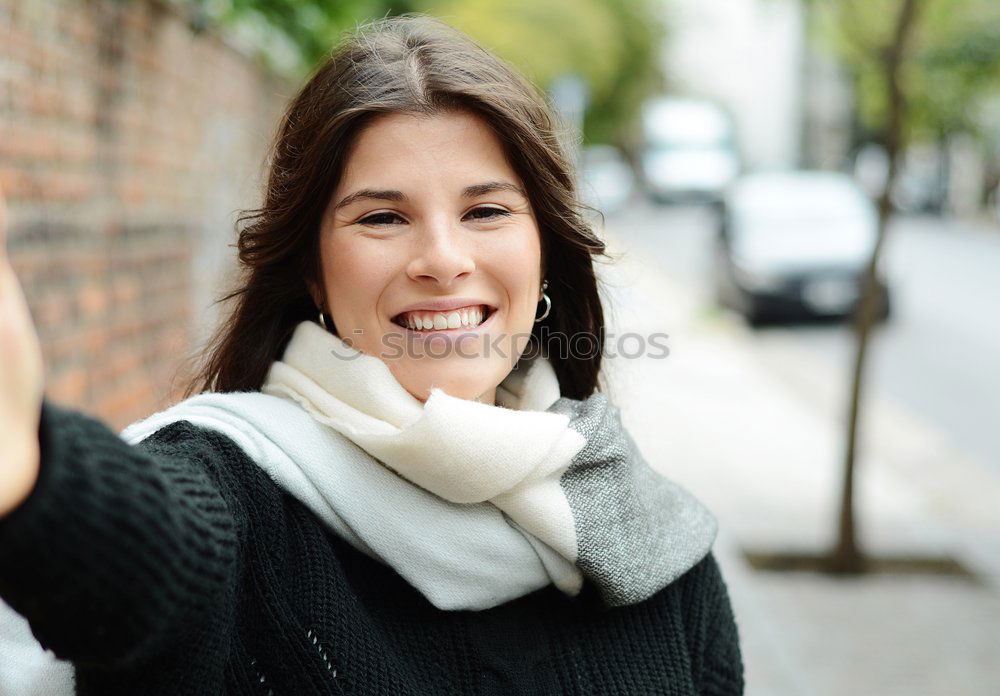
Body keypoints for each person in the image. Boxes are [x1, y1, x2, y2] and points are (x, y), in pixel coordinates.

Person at [0, 14, 744, 696]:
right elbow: (145, 561)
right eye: (383, 217)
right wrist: (34, 475)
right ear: (314, 271)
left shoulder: (649, 537)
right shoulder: (235, 490)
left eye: (485, 211)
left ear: (544, 251)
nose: (443, 259)